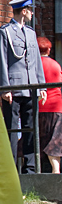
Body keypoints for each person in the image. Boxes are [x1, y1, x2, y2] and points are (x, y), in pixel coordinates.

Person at [0, 0, 47, 173]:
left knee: (30, 129)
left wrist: (41, 86)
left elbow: (37, 62)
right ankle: (10, 169)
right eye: (30, 10)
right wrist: (5, 87)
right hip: (14, 89)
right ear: (24, 11)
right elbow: (1, 61)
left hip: (31, 88)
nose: (32, 13)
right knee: (11, 129)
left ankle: (30, 169)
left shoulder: (31, 33)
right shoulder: (5, 32)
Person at [37, 36, 62, 174]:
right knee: (55, 139)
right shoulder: (56, 65)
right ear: (49, 49)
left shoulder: (34, 65)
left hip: (39, 106)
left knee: (36, 138)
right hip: (56, 107)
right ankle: (56, 170)